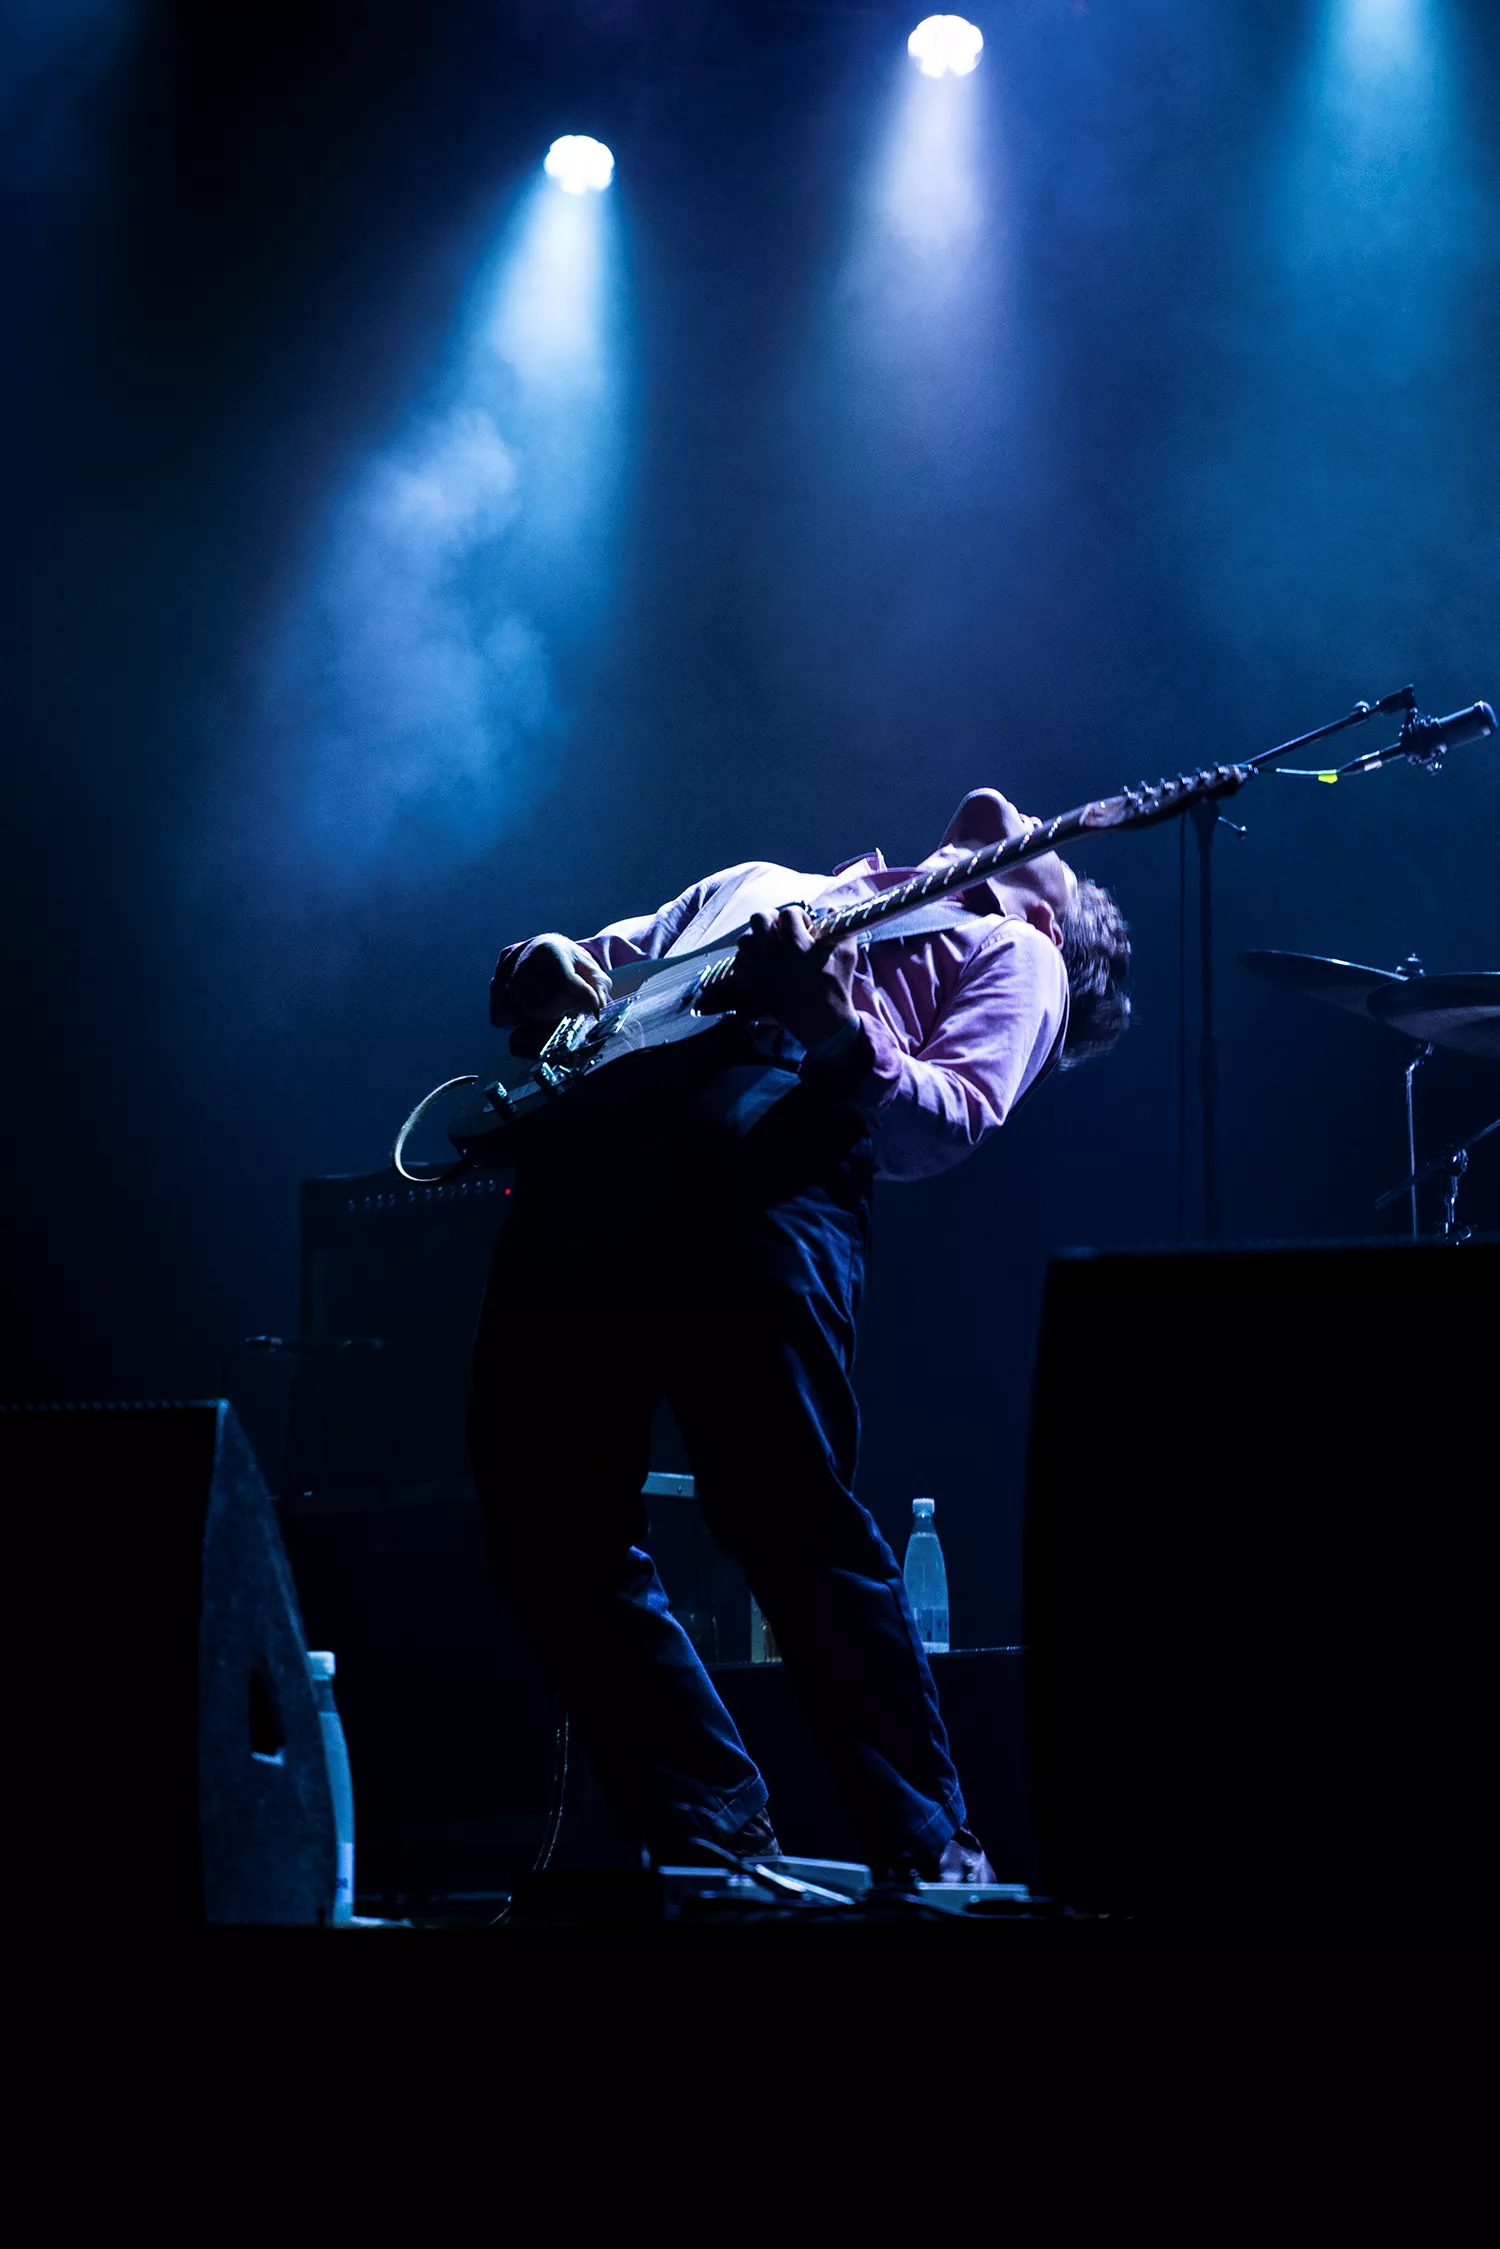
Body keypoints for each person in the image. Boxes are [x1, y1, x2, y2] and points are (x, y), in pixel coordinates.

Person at [468, 786, 1130, 1881]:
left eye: (1042, 858)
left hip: (766, 1149)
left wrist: (830, 1019)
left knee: (778, 1502)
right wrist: (538, 962)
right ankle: (710, 1828)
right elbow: (597, 976)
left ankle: (931, 1850)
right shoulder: (768, 885)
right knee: (541, 1508)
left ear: (1052, 914)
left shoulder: (1019, 948)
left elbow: (945, 1120)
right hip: (592, 1154)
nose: (1015, 814)